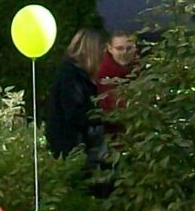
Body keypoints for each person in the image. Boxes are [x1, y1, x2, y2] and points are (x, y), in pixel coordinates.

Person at [45, 28, 107, 163]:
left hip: (74, 144)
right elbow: (74, 113)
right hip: (72, 145)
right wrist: (102, 118)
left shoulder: (74, 75)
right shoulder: (72, 76)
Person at [95, 30, 140, 113]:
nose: (125, 52)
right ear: (110, 49)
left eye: (129, 48)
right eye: (119, 48)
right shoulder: (103, 72)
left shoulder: (140, 67)